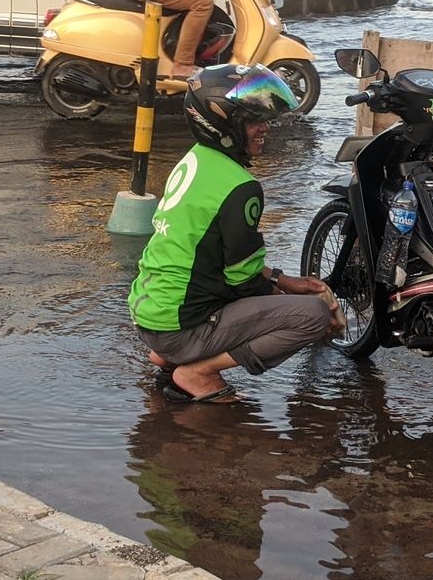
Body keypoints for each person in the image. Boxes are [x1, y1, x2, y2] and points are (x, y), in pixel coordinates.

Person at [129, 64, 342, 404]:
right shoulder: (240, 188)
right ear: (224, 125)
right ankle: (197, 371)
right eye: (254, 120)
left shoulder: (195, 160)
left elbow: (208, 252)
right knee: (312, 317)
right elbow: (244, 282)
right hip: (179, 325)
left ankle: (171, 356)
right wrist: (300, 300)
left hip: (152, 313)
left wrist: (284, 279)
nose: (265, 128)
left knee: (287, 300)